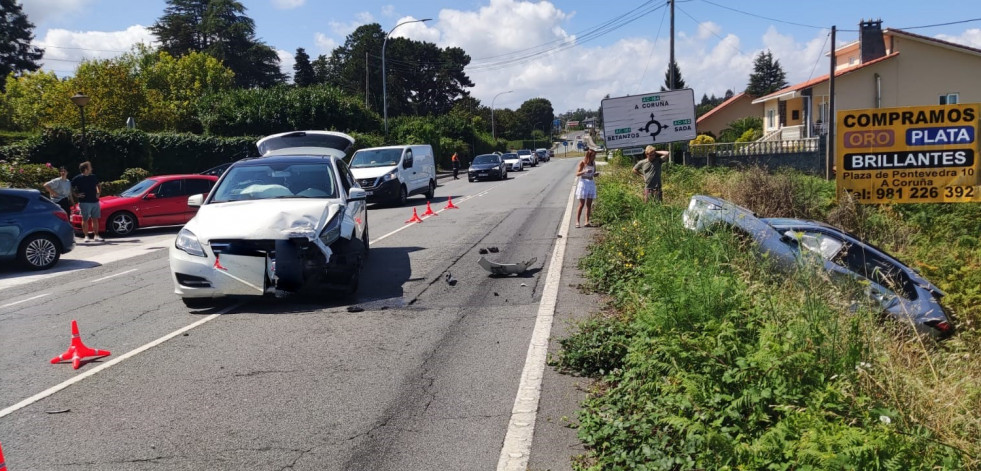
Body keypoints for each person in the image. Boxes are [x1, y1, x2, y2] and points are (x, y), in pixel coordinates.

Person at [71, 161, 103, 242]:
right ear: (85, 169)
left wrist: (98, 193)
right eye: (90, 167)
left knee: (95, 219)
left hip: (95, 201)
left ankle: (96, 235)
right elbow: (70, 187)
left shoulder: (93, 177)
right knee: (85, 219)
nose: (91, 168)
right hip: (84, 202)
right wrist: (76, 195)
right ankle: (86, 236)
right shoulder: (77, 178)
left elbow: (98, 185)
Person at [574, 148, 599, 228]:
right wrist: (584, 171)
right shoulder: (583, 162)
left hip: (591, 182)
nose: (594, 157)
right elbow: (577, 173)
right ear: (589, 155)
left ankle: (586, 221)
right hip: (584, 183)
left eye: (595, 156)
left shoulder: (593, 163)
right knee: (581, 204)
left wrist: (595, 174)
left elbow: (593, 172)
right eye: (593, 156)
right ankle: (577, 222)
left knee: (589, 204)